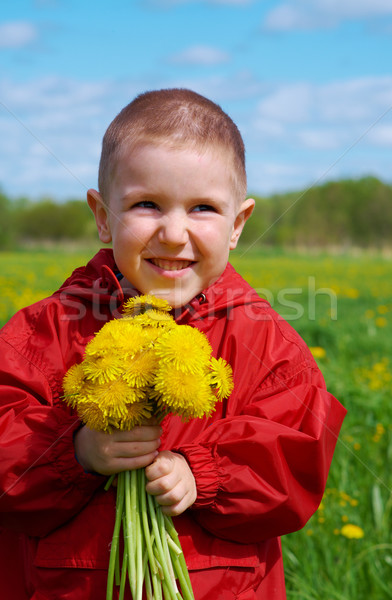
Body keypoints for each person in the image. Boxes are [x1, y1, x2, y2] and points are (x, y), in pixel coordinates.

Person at [0, 88, 346, 600]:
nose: (174, 232)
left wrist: (203, 473)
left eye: (203, 208)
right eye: (147, 204)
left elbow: (297, 464)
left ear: (238, 225)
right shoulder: (41, 334)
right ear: (102, 215)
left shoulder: (267, 343)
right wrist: (76, 451)